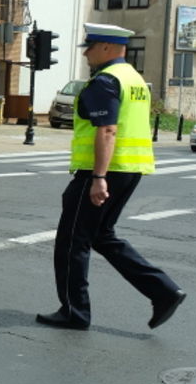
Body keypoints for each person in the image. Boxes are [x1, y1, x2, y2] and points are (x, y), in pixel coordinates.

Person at [36, 23, 186, 331]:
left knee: (72, 241)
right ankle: (164, 291)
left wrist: (98, 177)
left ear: (105, 47)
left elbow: (107, 129)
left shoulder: (106, 80)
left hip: (103, 171)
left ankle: (74, 312)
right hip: (130, 169)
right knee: (101, 235)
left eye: (89, 47)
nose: (87, 53)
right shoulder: (134, 80)